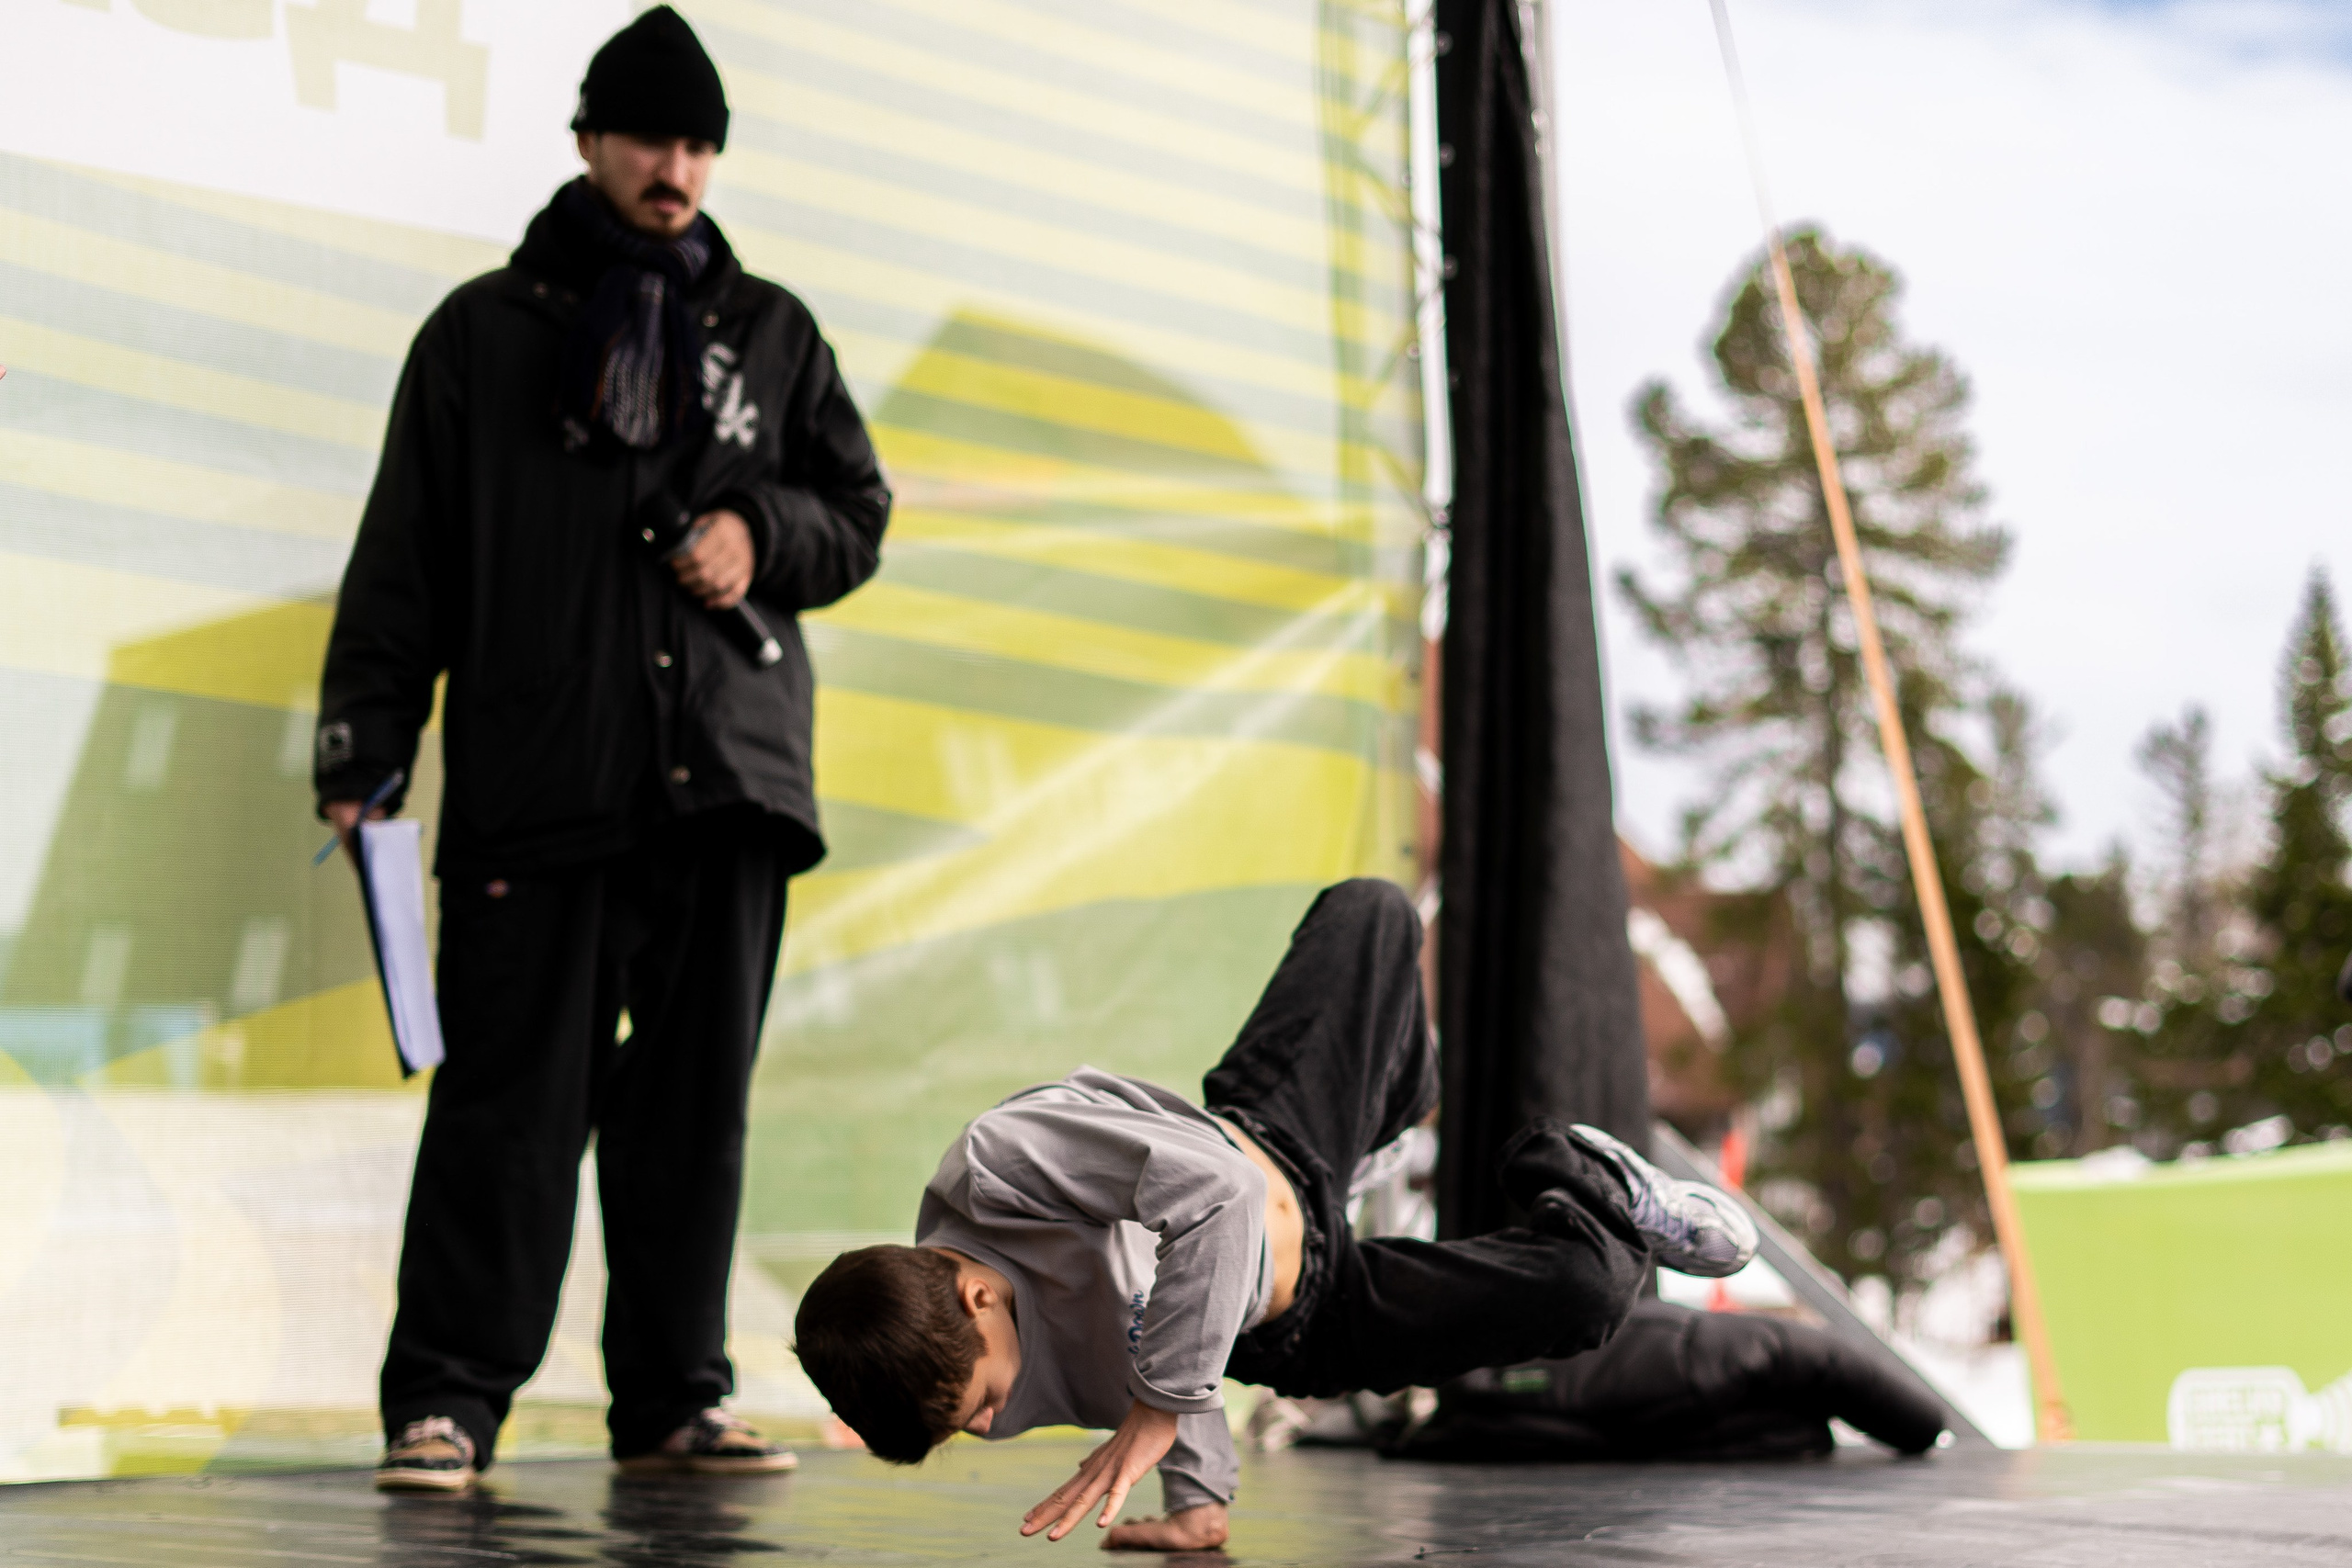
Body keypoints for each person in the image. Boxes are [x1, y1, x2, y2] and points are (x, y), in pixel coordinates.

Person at [314, 6, 890, 1492]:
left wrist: (760, 527)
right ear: (588, 143)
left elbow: (858, 513)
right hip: (541, 780)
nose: (677, 169)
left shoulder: (770, 332)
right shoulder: (482, 336)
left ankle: (674, 1402)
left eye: (700, 144)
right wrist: (363, 747)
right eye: (651, 138)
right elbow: (405, 566)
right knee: (505, 1107)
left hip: (729, 785)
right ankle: (444, 1401)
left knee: (695, 1119)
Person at [791, 880, 1758, 1551]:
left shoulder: (1001, 1166)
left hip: (1274, 1140)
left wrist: (1160, 1406)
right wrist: (1199, 1499)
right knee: (1590, 1293)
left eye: (981, 1401)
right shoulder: (981, 1390)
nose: (999, 1423)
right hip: (1304, 1325)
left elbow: (1217, 1200)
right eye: (971, 1428)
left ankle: (1389, 1106)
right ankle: (1581, 1172)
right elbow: (1167, 1368)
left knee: (1371, 912)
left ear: (975, 1293)